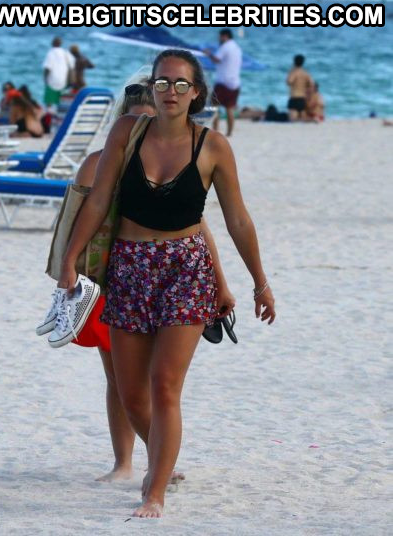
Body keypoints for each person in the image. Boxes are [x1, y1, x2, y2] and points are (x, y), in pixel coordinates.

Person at [56, 49, 276, 518]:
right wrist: (69, 259)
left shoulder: (213, 147)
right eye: (162, 83)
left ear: (196, 92)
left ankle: (154, 491)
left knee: (164, 385)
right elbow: (98, 200)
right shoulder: (127, 132)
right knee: (131, 392)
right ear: (151, 88)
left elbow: (237, 219)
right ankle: (162, 461)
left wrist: (259, 282)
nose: (170, 91)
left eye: (180, 84)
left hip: (186, 270)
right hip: (129, 267)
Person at [67, 74, 235, 483]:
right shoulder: (101, 161)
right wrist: (68, 266)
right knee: (119, 380)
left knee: (158, 383)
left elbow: (198, 225)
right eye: (139, 120)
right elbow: (77, 217)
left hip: (169, 275)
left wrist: (222, 281)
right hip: (111, 276)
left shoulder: (179, 156)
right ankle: (126, 461)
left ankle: (156, 465)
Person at [204, 30, 242, 137]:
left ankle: (215, 131)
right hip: (235, 82)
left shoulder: (225, 47)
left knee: (214, 107)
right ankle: (229, 132)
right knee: (229, 108)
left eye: (220, 37)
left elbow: (216, 59)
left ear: (225, 36)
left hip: (223, 82)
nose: (219, 39)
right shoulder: (237, 48)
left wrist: (208, 54)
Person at [43, 37, 74, 112]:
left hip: (53, 79)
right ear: (61, 44)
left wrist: (45, 79)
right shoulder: (65, 53)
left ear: (53, 43)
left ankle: (49, 111)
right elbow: (71, 66)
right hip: (63, 79)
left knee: (49, 99)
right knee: (61, 99)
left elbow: (47, 68)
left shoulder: (51, 52)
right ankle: (61, 111)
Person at [286, 55, 314, 121]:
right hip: (302, 97)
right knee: (302, 117)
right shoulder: (306, 73)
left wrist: (290, 73)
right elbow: (311, 84)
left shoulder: (294, 72)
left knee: (292, 118)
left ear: (294, 62)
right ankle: (311, 120)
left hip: (294, 97)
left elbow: (289, 82)